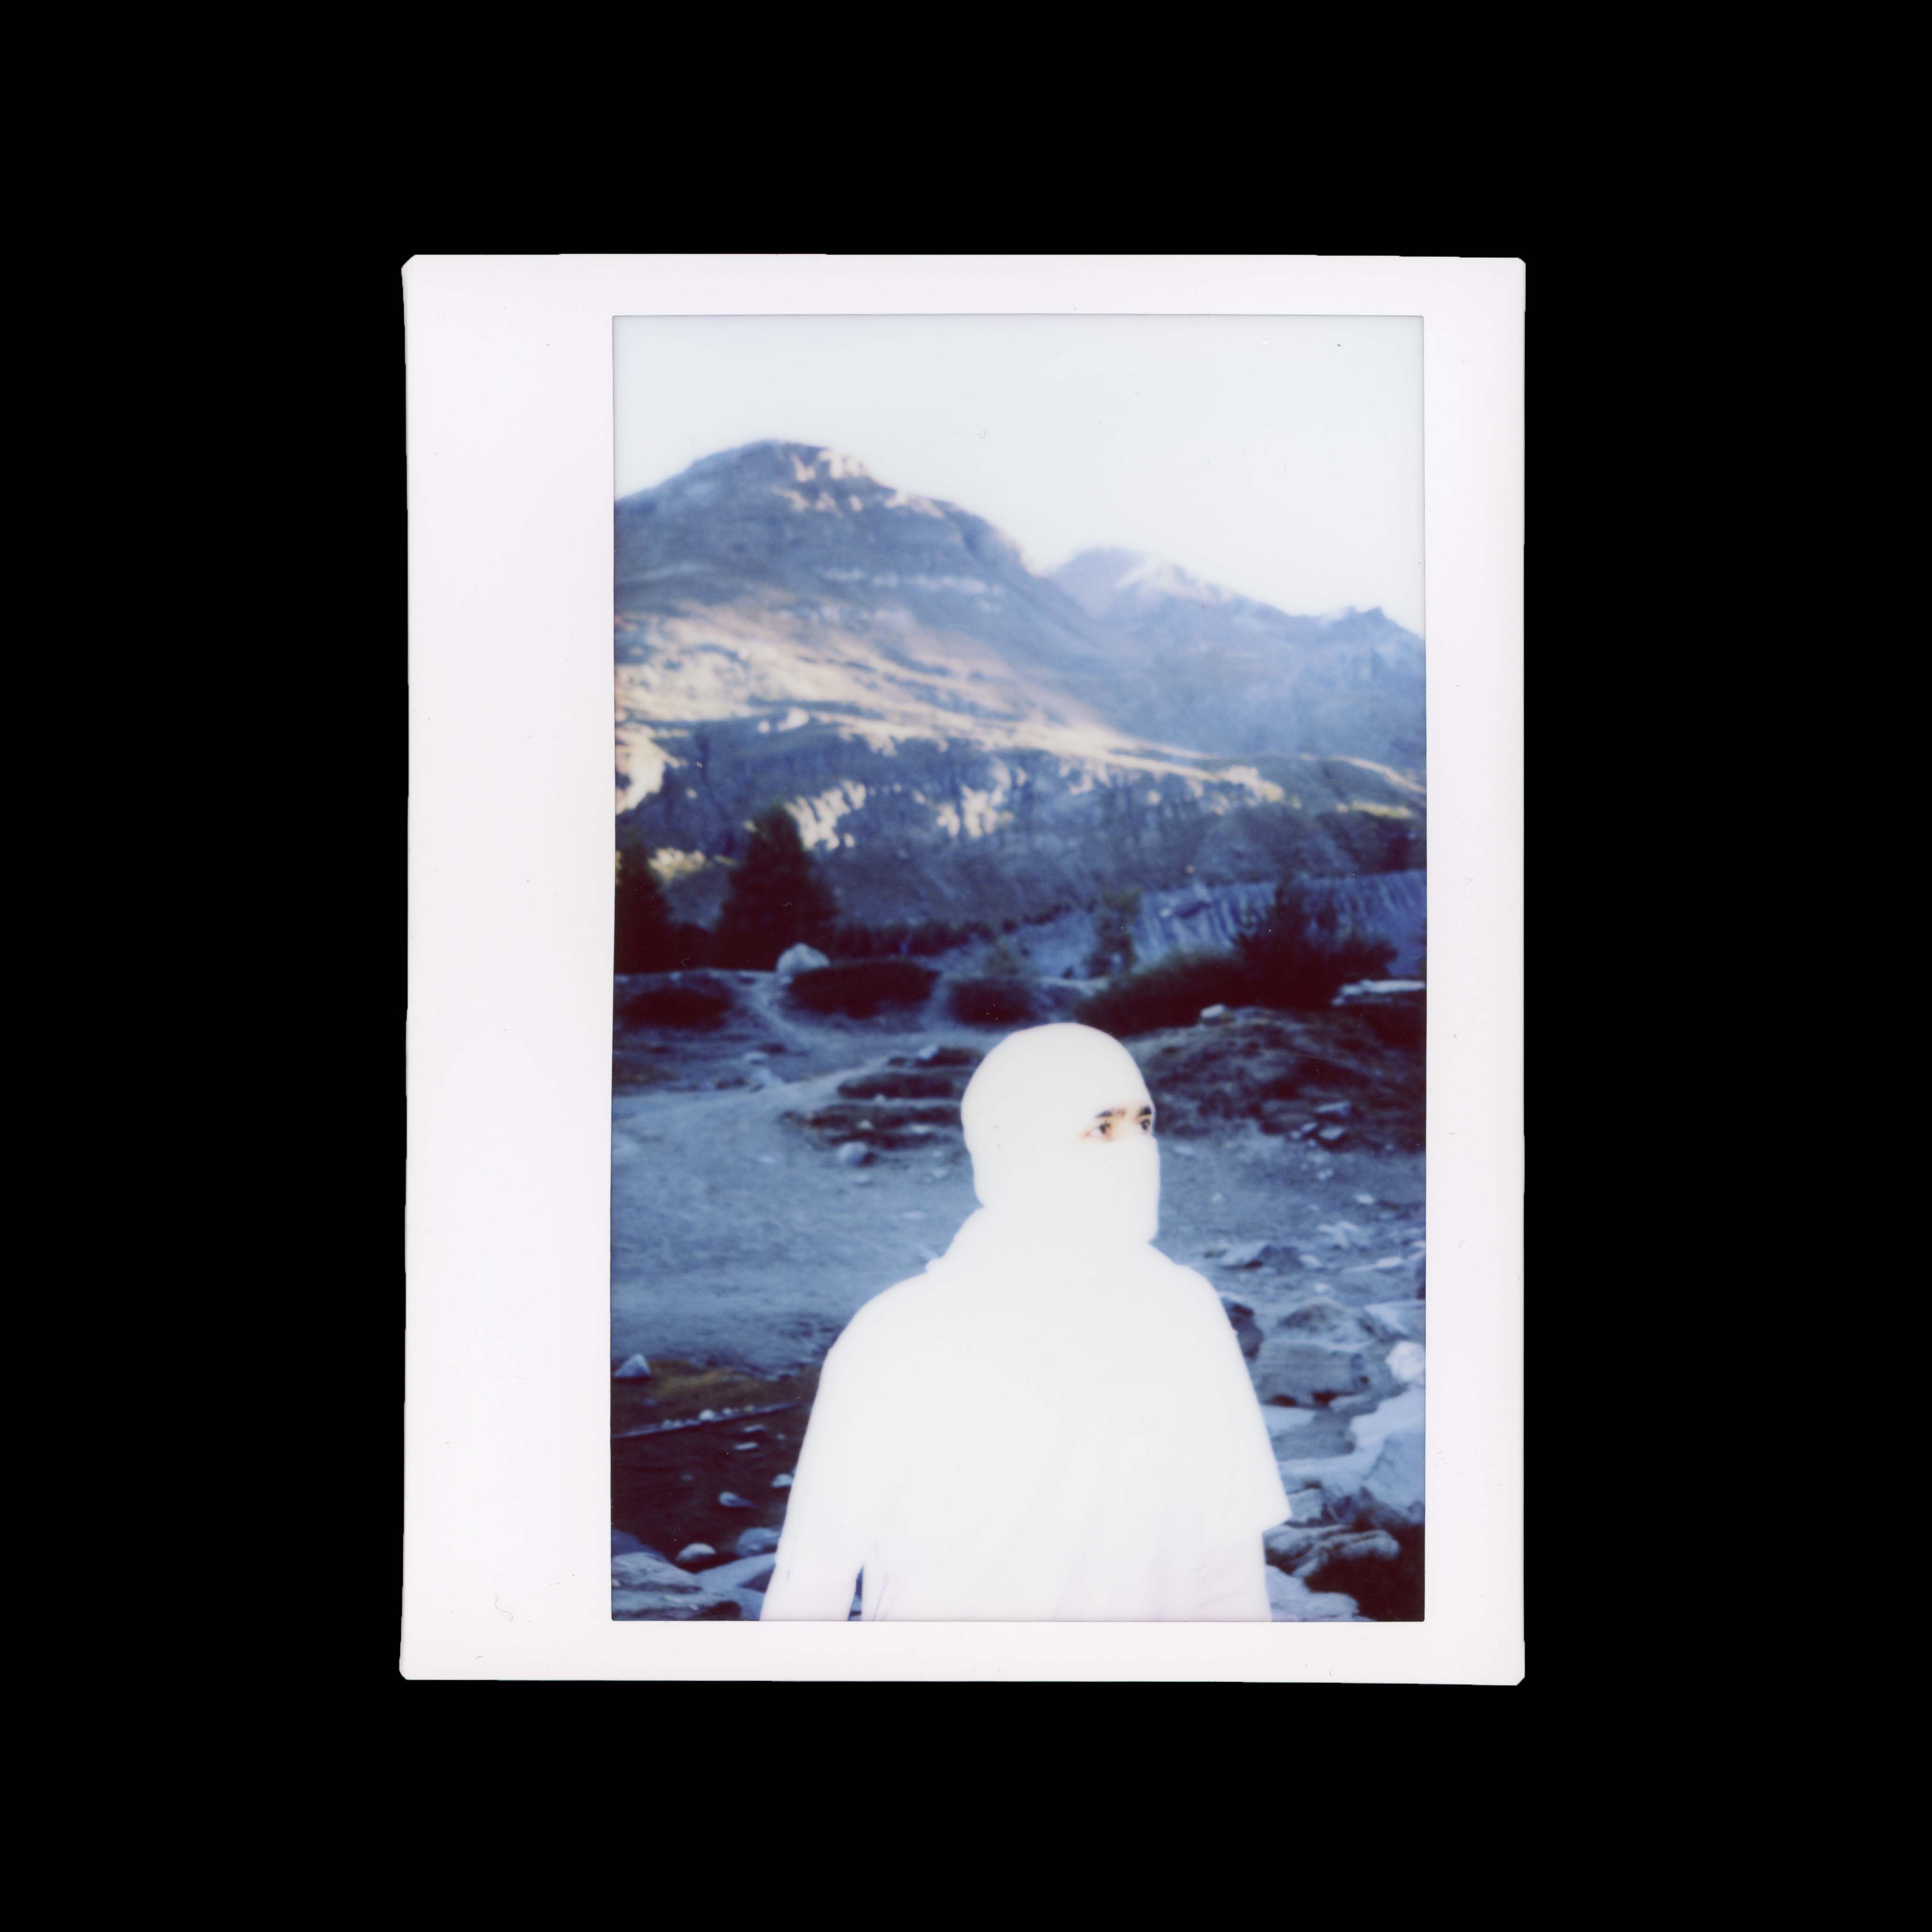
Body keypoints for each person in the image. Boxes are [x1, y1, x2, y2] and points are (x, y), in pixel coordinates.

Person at [762, 1022, 1291, 1620]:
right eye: (1102, 1127)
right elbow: (813, 1579)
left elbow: (1227, 1567)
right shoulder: (898, 1333)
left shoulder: (1188, 1309)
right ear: (1017, 1145)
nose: (1138, 1151)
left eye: (1144, 1123)